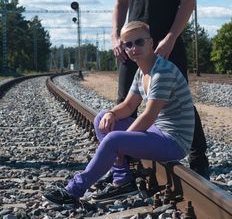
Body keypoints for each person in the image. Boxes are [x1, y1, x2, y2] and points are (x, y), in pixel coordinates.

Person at [43, 21, 195, 206]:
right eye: (128, 44)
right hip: (159, 131)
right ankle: (122, 179)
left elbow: (148, 116)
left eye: (139, 42)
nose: (134, 48)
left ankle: (73, 190)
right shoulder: (142, 71)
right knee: (102, 119)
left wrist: (121, 144)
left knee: (114, 139)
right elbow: (129, 105)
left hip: (174, 140)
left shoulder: (162, 73)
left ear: (151, 43)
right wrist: (111, 113)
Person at [112, 0, 209, 178]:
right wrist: (116, 36)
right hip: (133, 45)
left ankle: (200, 161)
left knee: (180, 102)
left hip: (165, 46)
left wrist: (170, 38)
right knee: (124, 100)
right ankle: (124, 163)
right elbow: (121, 2)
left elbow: (188, 1)